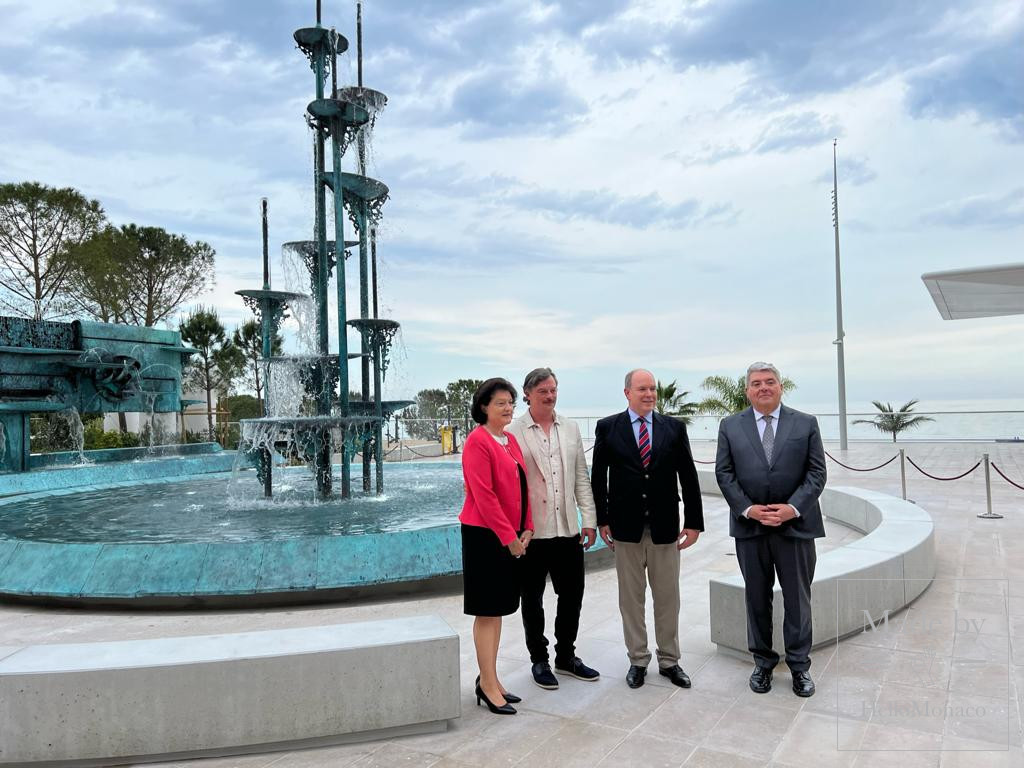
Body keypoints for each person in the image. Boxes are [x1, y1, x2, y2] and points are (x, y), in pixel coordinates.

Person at [714, 362, 826, 697]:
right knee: (756, 600)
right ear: (747, 390)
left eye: (770, 382)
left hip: (795, 529)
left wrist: (791, 509)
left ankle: (799, 667)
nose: (764, 387)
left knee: (798, 601)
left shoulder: (805, 424)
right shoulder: (730, 426)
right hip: (751, 529)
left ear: (780, 386)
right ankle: (763, 664)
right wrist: (749, 509)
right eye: (756, 383)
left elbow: (817, 473)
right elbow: (725, 472)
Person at [591, 368, 703, 689]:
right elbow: (599, 478)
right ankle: (637, 660)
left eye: (653, 389)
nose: (649, 394)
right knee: (631, 599)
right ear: (627, 392)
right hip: (625, 529)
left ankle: (670, 660)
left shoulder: (674, 428)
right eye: (642, 388)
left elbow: (689, 476)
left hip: (665, 527)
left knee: (668, 598)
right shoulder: (608, 428)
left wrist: (694, 522)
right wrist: (602, 519)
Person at [507, 367, 599, 691]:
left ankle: (566, 655)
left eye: (553, 389)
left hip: (567, 530)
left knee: (572, 595)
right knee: (532, 598)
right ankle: (539, 659)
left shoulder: (571, 428)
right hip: (532, 533)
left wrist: (588, 519)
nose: (550, 395)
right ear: (528, 394)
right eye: (543, 390)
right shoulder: (513, 432)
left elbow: (581, 478)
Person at [459, 377, 535, 715]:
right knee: (487, 610)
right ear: (484, 407)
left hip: (510, 536)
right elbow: (484, 497)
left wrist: (528, 527)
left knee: (499, 609)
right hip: (485, 537)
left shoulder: (510, 440)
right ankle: (487, 685)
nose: (508, 408)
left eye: (510, 402)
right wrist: (509, 540)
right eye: (501, 402)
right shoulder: (477, 442)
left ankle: (491, 679)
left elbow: (523, 485)